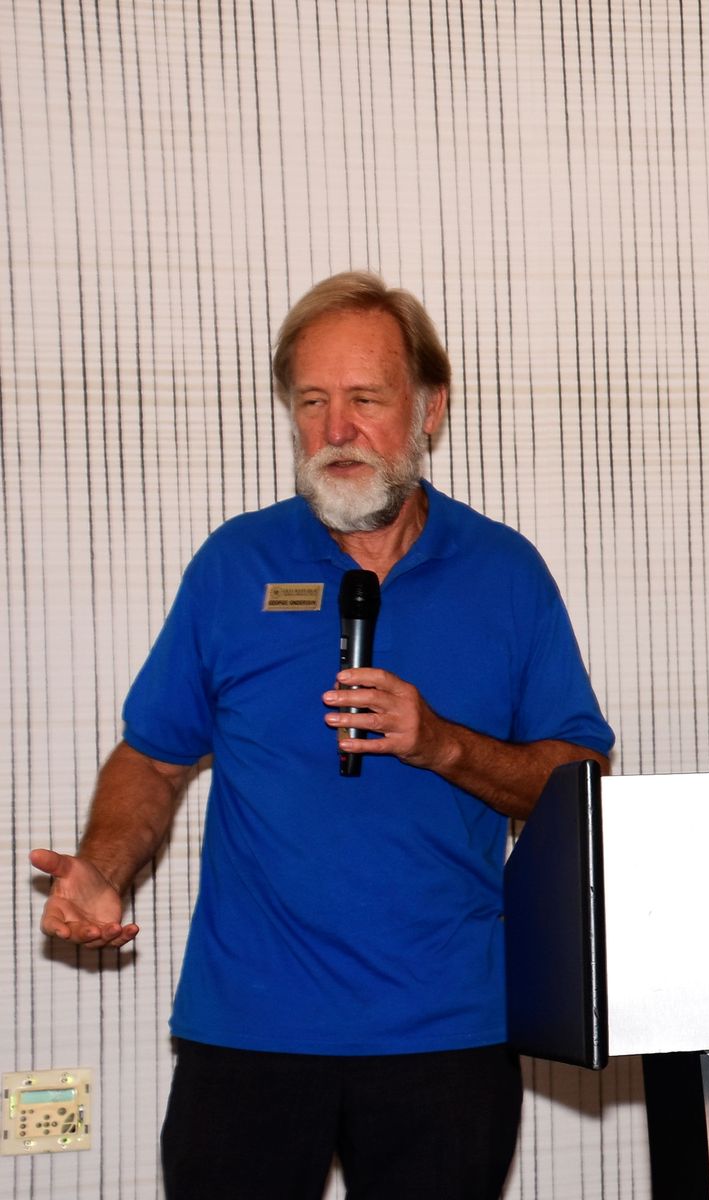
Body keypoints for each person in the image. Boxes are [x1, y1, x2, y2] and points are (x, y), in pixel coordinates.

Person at [30, 271, 615, 1200]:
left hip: (445, 1036)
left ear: (430, 408)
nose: (337, 429)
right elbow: (153, 757)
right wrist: (104, 866)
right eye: (312, 402)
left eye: (366, 400)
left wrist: (443, 744)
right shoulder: (234, 565)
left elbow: (580, 779)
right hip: (249, 1034)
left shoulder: (505, 574)